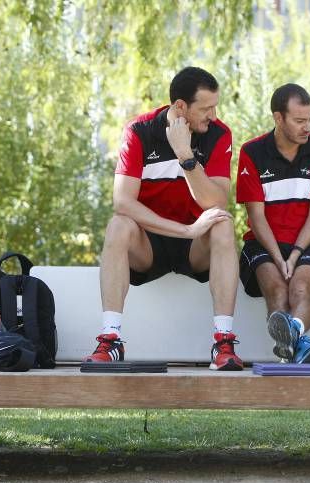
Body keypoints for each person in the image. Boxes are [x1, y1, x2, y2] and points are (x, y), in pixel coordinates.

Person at [84, 66, 244, 371]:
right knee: (118, 224)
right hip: (150, 243)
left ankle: (223, 343)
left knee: (223, 222)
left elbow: (216, 200)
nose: (213, 115)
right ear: (180, 107)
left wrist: (185, 155)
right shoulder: (139, 131)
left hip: (196, 244)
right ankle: (110, 339)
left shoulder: (219, 134)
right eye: (206, 108)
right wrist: (185, 229)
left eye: (215, 106)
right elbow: (123, 202)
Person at [236, 84, 310, 363]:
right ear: (278, 118)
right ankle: (301, 345)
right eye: (299, 120)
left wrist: (293, 255)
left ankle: (290, 338)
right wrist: (279, 258)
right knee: (278, 290)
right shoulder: (252, 152)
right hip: (263, 240)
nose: (307, 127)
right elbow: (256, 218)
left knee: (301, 289)